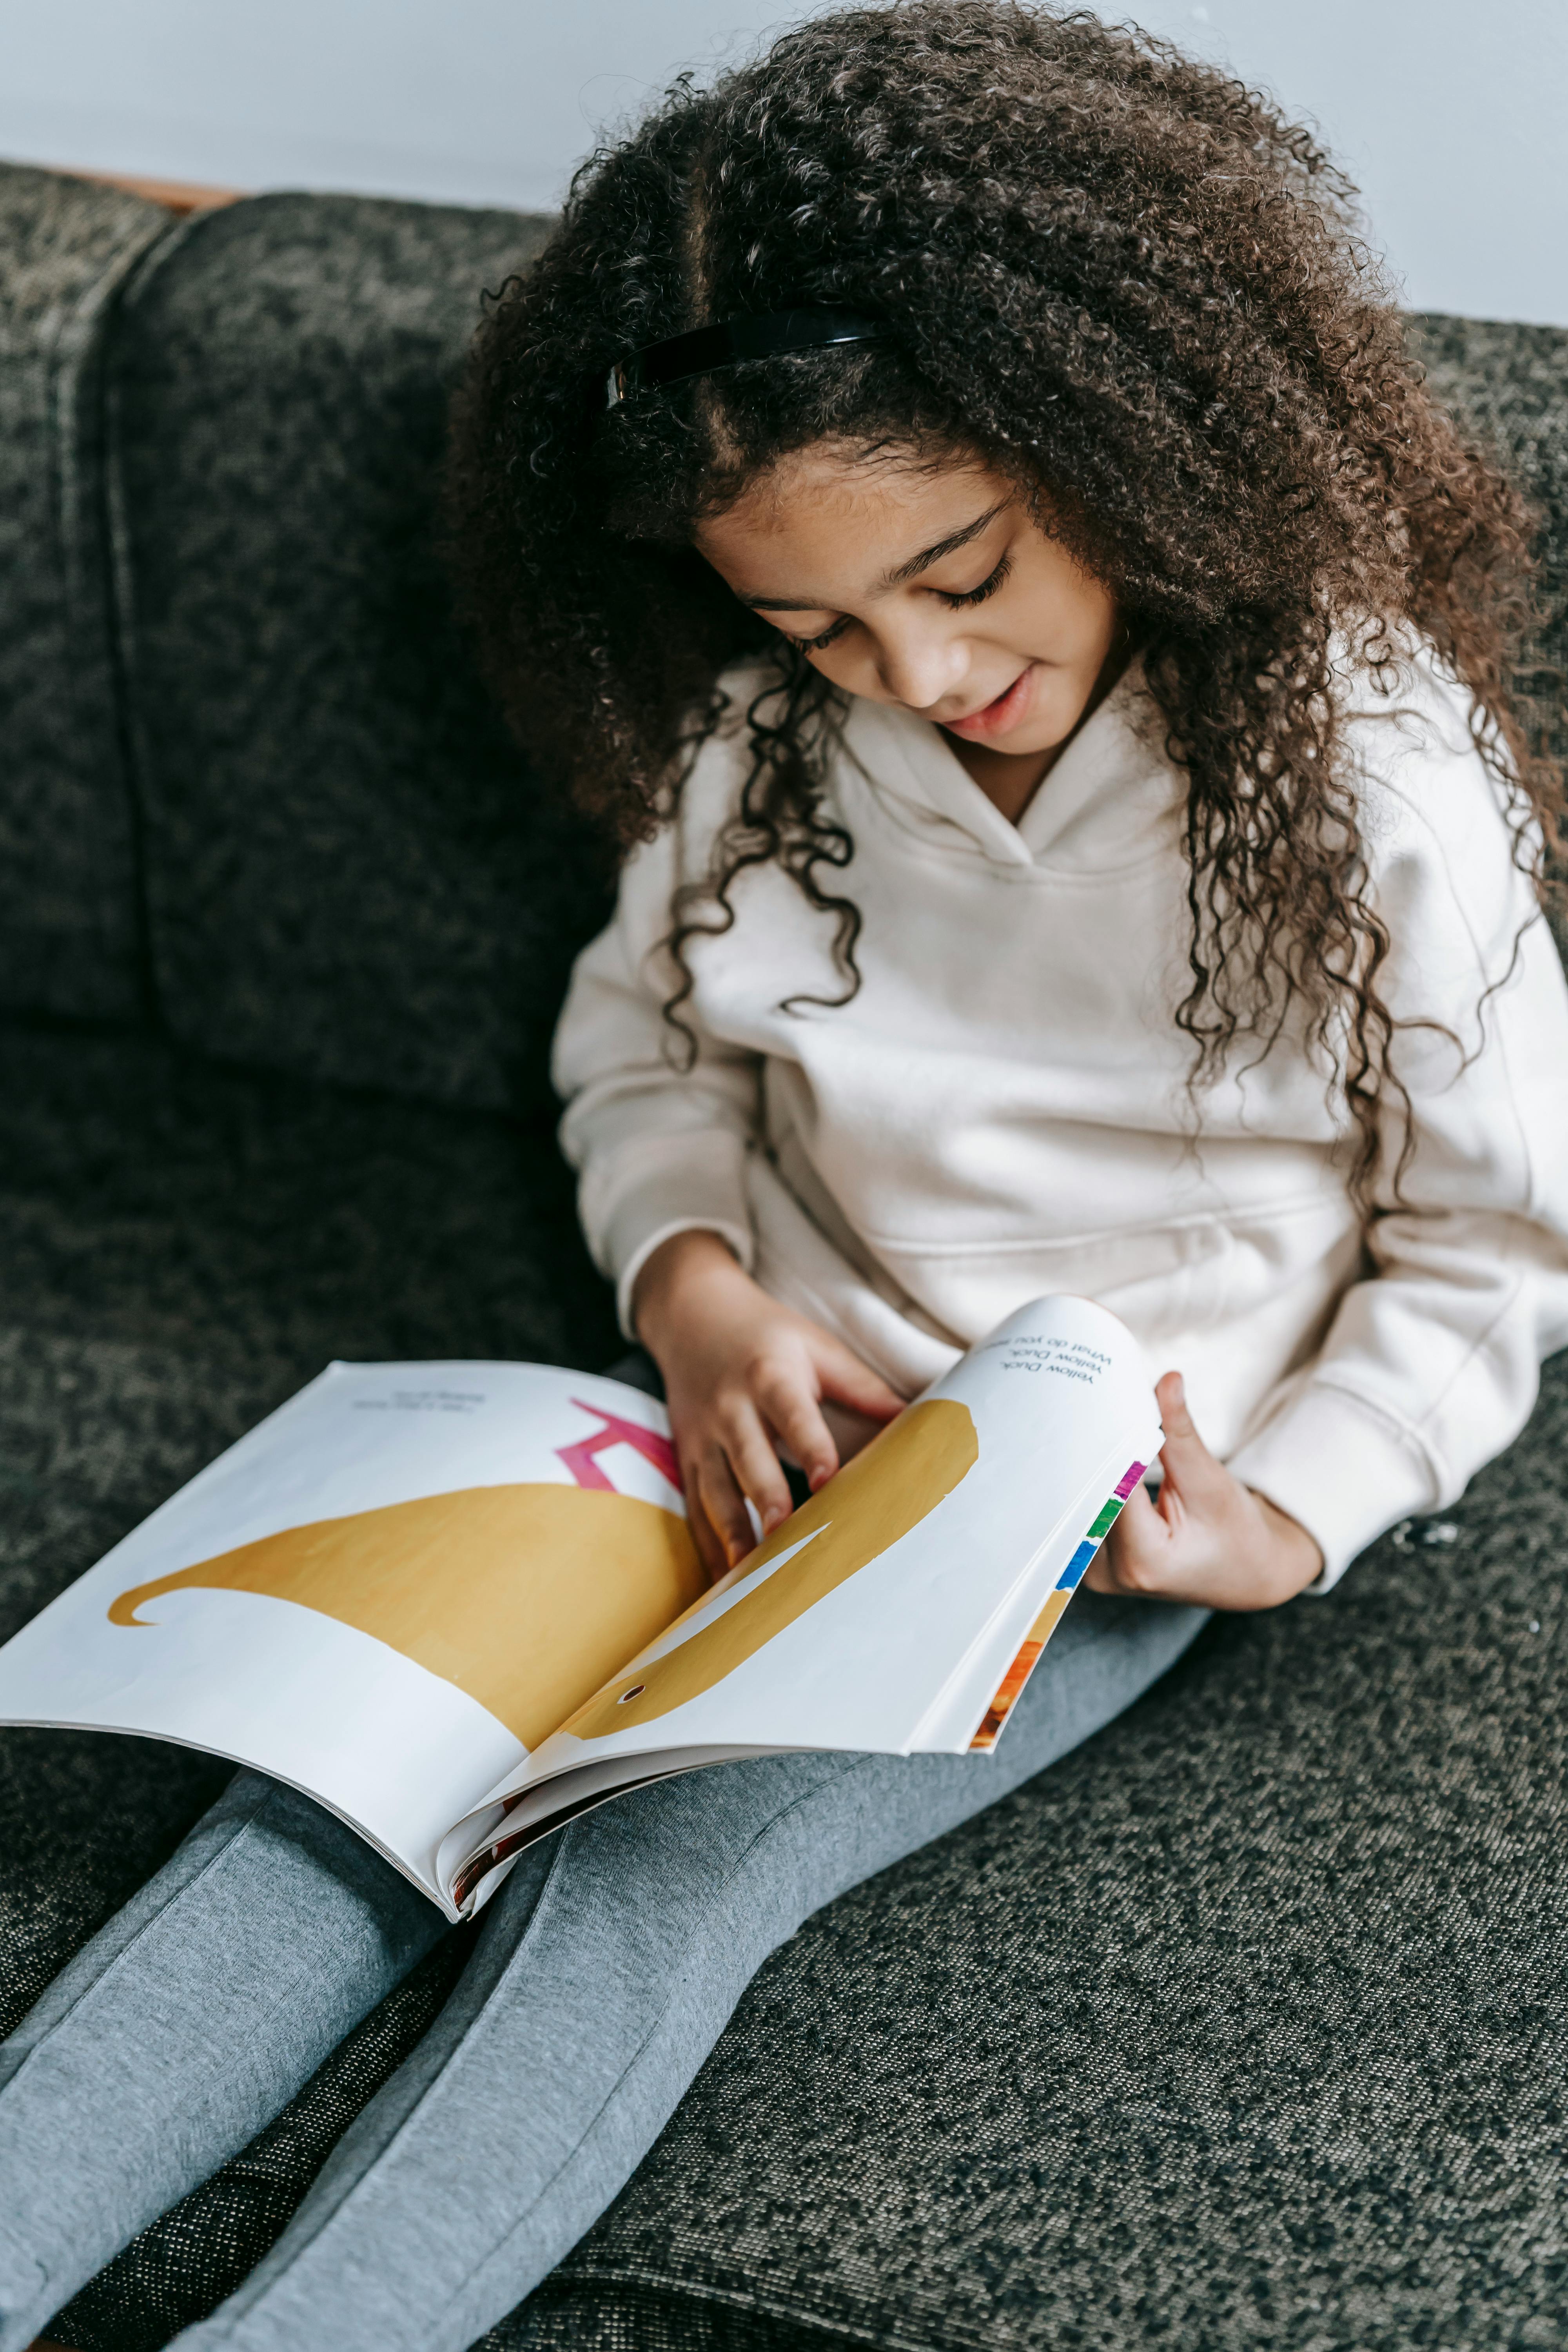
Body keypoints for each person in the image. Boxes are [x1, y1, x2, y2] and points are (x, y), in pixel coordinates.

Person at [4, 5, 1566, 2347]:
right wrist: (697, 1288)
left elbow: (1491, 1245)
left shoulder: (1364, 779)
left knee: (637, 1879)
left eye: (968, 572)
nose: (922, 669)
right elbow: (639, 1048)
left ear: (1123, 438)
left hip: (1064, 1511)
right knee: (330, 1799)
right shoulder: (781, 745)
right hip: (734, 1414)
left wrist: (1287, 1514)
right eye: (819, 616)